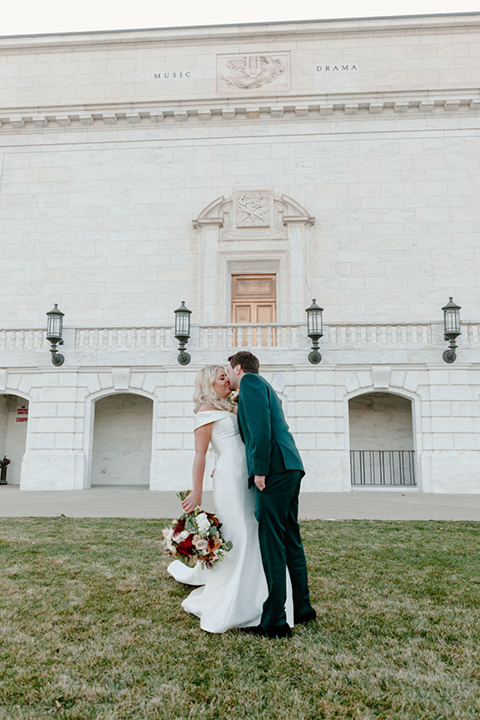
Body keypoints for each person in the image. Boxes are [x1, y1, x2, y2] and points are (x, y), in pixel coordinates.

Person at [167, 365, 293, 633]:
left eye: (227, 375)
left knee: (255, 528)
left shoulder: (232, 406)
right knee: (239, 531)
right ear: (209, 384)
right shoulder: (205, 412)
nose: (227, 380)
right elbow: (200, 454)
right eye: (221, 377)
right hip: (229, 477)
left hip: (247, 472)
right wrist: (197, 490)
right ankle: (233, 598)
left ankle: (258, 595)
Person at [227, 351, 316, 639]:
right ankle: (301, 608)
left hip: (274, 471)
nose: (227, 376)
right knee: (290, 538)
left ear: (238, 368)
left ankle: (276, 620)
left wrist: (260, 470)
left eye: (228, 370)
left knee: (272, 542)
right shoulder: (264, 385)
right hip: (289, 466)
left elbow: (260, 429)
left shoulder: (250, 384)